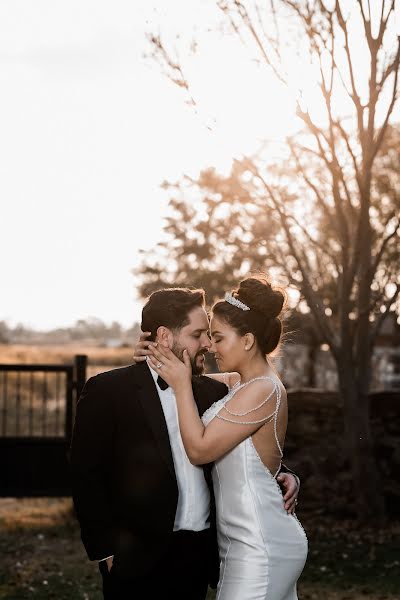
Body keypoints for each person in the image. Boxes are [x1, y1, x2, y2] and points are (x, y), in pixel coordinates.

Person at [70, 285, 299, 600]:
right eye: (198, 335)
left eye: (211, 335)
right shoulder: (108, 391)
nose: (206, 343)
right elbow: (85, 474)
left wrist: (281, 472)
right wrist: (105, 551)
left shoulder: (210, 391)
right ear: (165, 337)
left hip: (199, 555)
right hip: (135, 558)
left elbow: (246, 440)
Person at [145, 275, 308, 599]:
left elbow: (200, 450)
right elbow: (191, 379)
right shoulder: (241, 384)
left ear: (247, 341)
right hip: (241, 542)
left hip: (259, 543)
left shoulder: (262, 390)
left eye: (218, 337)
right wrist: (156, 358)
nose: (211, 345)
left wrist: (179, 385)